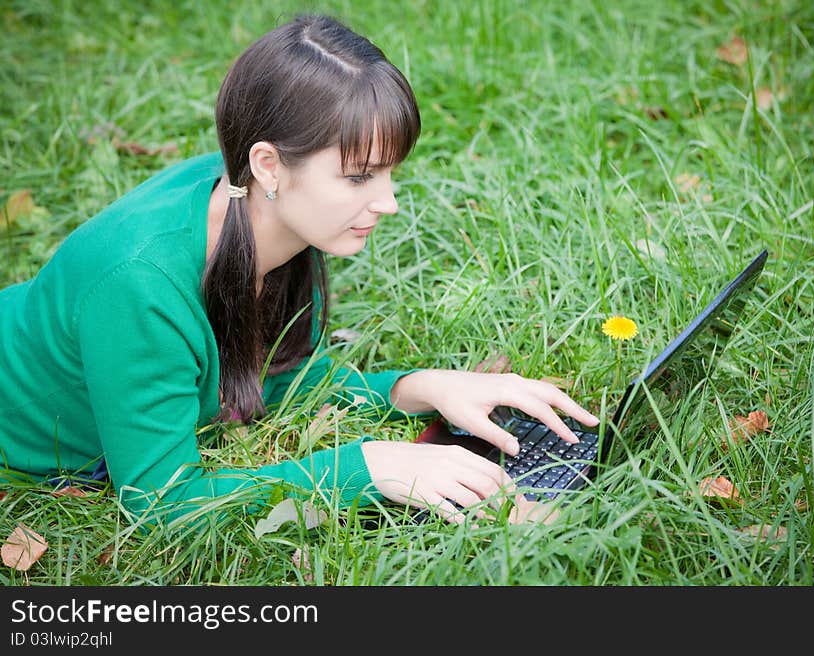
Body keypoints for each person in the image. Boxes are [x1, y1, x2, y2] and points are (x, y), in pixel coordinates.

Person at [0, 13, 598, 529]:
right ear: (269, 165)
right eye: (359, 176)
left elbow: (265, 377)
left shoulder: (264, 205)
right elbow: (163, 503)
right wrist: (369, 468)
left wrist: (423, 387)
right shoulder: (140, 286)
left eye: (389, 173)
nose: (388, 202)